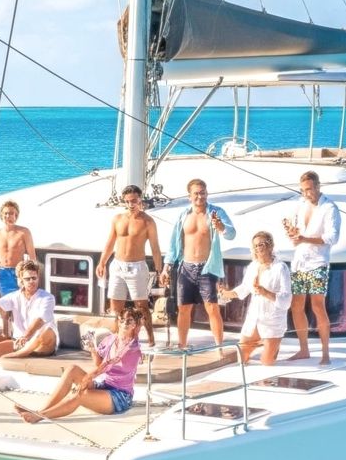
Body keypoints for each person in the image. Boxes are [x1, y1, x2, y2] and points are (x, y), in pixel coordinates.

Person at [15, 307, 144, 422]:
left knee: (80, 394)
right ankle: (41, 410)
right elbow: (98, 363)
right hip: (106, 386)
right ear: (118, 321)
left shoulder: (133, 346)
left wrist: (88, 378)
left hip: (120, 396)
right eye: (123, 320)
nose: (125, 323)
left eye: (130, 320)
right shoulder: (110, 339)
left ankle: (40, 416)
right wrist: (93, 349)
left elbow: (108, 364)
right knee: (72, 370)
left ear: (134, 325)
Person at [162, 179, 235, 350]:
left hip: (207, 267)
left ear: (207, 193)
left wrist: (221, 227)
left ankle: (219, 347)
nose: (200, 196)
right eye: (196, 193)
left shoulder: (216, 213)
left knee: (212, 308)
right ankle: (182, 346)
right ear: (189, 196)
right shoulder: (183, 216)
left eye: (203, 192)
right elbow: (173, 243)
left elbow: (231, 234)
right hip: (186, 268)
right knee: (184, 309)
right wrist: (167, 267)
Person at [284, 170, 341, 365]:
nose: (306, 193)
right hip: (299, 262)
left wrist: (304, 239)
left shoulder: (330, 208)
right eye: (303, 190)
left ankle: (325, 353)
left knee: (318, 306)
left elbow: (332, 238)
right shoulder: (300, 205)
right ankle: (304, 350)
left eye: (309, 189)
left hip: (317, 263)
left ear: (318, 186)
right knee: (296, 306)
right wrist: (291, 232)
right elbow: (295, 230)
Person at [97, 185, 163, 347]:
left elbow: (155, 248)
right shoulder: (117, 219)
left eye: (134, 201)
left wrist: (160, 270)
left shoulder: (148, 221)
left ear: (140, 199)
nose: (130, 204)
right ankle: (117, 339)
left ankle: (151, 340)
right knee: (115, 306)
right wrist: (102, 262)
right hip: (117, 266)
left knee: (141, 306)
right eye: (127, 201)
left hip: (137, 267)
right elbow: (110, 242)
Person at [218, 232, 292, 365]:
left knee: (266, 362)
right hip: (254, 318)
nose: (258, 248)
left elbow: (287, 300)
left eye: (261, 245)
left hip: (272, 321)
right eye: (255, 246)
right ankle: (266, 346)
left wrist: (265, 292)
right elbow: (244, 288)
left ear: (270, 246)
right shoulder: (253, 266)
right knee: (242, 356)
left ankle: (274, 345)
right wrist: (226, 293)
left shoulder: (281, 268)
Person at [0, 200, 36, 295]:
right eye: (5, 213)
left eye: (11, 213)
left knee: (18, 302)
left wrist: (31, 276)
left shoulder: (24, 232)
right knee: (4, 303)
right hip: (1, 272)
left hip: (17, 272)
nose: (8, 216)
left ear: (16, 215)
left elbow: (32, 258)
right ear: (1, 215)